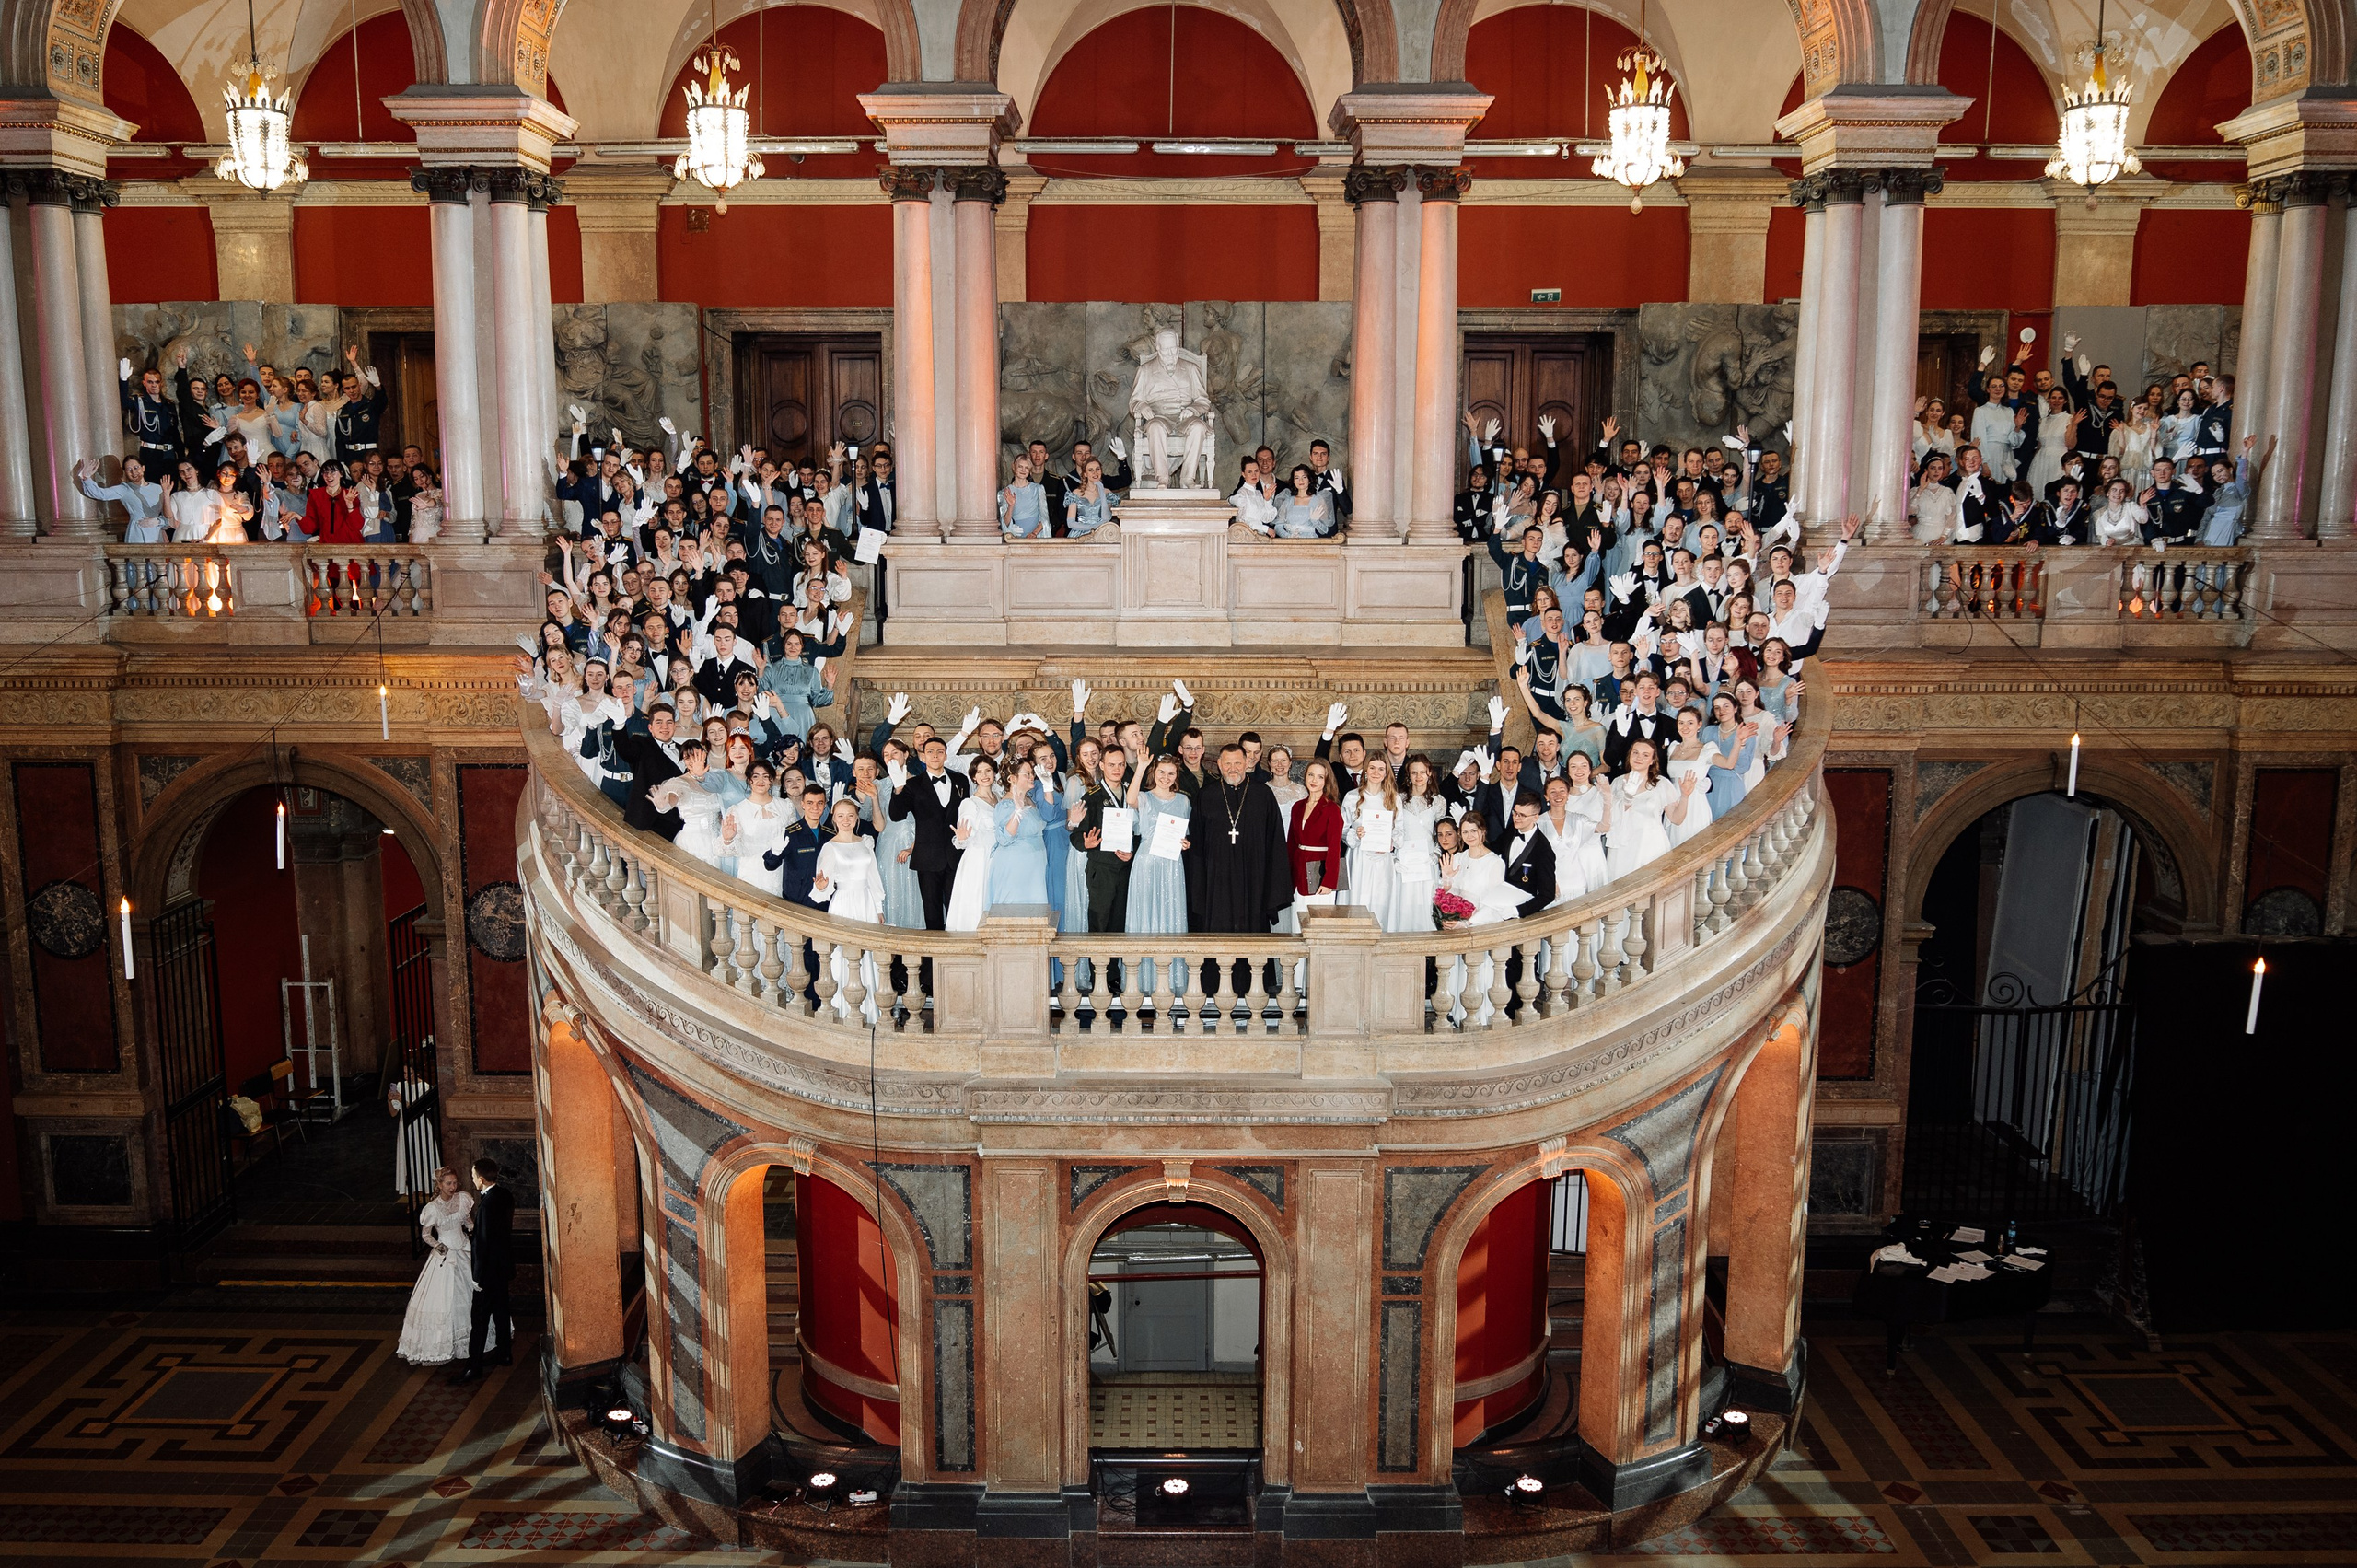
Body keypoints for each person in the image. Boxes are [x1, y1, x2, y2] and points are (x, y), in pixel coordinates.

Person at [809, 797, 884, 1021]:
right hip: (843, 904)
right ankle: (843, 1012)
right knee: (843, 956)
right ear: (833, 818)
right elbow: (822, 887)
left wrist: (878, 908)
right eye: (840, 816)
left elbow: (874, 878)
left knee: (867, 955)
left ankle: (870, 1013)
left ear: (857, 818)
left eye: (850, 815)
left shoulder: (866, 843)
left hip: (866, 903)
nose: (846, 820)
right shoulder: (829, 847)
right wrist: (821, 887)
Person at [1124, 754, 1193, 997]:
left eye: (1171, 773)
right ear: (1154, 773)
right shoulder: (1143, 797)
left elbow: (1185, 833)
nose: (1166, 778)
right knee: (1145, 915)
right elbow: (1130, 799)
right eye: (1161, 772)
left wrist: (1185, 843)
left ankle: (1171, 982)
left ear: (1177, 776)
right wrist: (1141, 766)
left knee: (1170, 914)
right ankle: (1142, 982)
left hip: (1171, 864)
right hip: (1146, 862)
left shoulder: (1184, 801)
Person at [395, 1167, 474, 1366]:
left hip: (464, 1250)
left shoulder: (462, 1199)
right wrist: (439, 1246)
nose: (453, 1187)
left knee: (471, 1294)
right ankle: (444, 1343)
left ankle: (471, 1341)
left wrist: (474, 1231)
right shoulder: (432, 1208)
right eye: (448, 1183)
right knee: (444, 1299)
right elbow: (425, 1234)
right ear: (439, 1185)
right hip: (445, 1255)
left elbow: (467, 1221)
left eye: (455, 1182)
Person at [888, 734, 969, 930]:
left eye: (940, 752)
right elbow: (896, 815)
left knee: (956, 908)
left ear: (946, 756)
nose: (935, 756)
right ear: (923, 756)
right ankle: (935, 959)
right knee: (931, 912)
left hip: (955, 854)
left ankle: (955, 955)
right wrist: (898, 789)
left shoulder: (961, 780)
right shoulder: (912, 785)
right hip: (927, 857)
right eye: (930, 752)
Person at [457, 1157, 514, 1383]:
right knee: (501, 1312)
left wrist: (477, 1277)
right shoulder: (505, 1195)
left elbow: (483, 1244)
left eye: (473, 1176)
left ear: (481, 1179)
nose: (472, 1180)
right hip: (503, 1268)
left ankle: (473, 1367)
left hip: (488, 1273)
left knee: (479, 1320)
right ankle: (505, 1353)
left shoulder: (487, 1207)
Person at [1341, 757, 1407, 932]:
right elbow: (1343, 830)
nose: (1376, 773)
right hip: (1359, 859)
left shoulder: (1393, 798)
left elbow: (1400, 829)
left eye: (1381, 769)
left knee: (1381, 901)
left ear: (1386, 773)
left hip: (1382, 860)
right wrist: (1356, 834)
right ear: (1365, 770)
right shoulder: (1352, 797)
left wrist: (1391, 840)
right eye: (1372, 768)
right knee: (1358, 899)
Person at [1285, 757, 1344, 933]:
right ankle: (1298, 962)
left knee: (1318, 925)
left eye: (1320, 777)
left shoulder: (1332, 809)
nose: (1314, 780)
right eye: (1311, 775)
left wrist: (1329, 881)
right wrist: (1287, 876)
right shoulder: (1297, 807)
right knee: (1298, 923)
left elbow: (1335, 848)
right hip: (1298, 871)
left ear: (1326, 781)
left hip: (1320, 874)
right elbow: (1291, 843)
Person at [945, 756, 1000, 932]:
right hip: (979, 859)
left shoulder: (1000, 798)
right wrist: (962, 838)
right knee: (978, 903)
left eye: (988, 770)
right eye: (979, 772)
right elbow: (963, 838)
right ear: (973, 777)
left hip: (999, 858)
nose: (984, 775)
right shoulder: (969, 803)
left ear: (994, 773)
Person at [987, 756, 1050, 908]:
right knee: (1014, 910)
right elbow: (1005, 838)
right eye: (1026, 774)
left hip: (1035, 864)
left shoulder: (1030, 799)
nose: (1032, 777)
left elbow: (1049, 815)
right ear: (1012, 779)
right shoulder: (1006, 804)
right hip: (1016, 865)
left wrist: (1048, 787)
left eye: (1032, 773)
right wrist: (1017, 812)